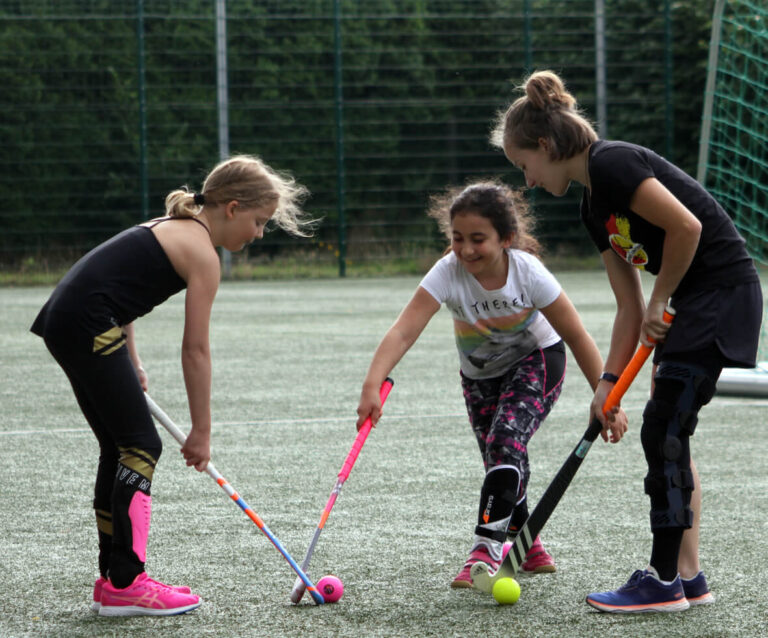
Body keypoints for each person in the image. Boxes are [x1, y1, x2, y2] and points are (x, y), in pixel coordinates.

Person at [493, 70, 762, 613]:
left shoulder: (612, 163)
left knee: (663, 429)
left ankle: (662, 582)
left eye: (525, 166)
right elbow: (628, 307)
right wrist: (607, 383)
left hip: (719, 295)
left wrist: (663, 297)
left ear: (545, 146)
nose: (527, 181)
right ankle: (688, 578)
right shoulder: (593, 206)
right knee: (671, 434)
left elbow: (687, 228)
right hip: (690, 304)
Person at [31, 155, 313, 616]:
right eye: (259, 222)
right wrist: (201, 430)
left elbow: (116, 292)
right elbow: (195, 350)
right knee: (142, 445)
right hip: (85, 321)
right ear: (233, 207)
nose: (259, 233)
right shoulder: (202, 252)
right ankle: (128, 582)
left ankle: (113, 580)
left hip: (71, 320)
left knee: (119, 446)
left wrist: (132, 360)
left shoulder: (172, 226)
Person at [355, 181, 627, 589]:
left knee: (504, 441)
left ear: (506, 238)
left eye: (478, 239)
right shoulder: (447, 272)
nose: (465, 250)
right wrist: (371, 384)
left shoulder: (527, 272)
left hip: (538, 361)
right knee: (500, 459)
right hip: (480, 377)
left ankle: (486, 547)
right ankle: (527, 541)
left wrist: (607, 396)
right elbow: (403, 331)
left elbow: (576, 333)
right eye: (457, 238)